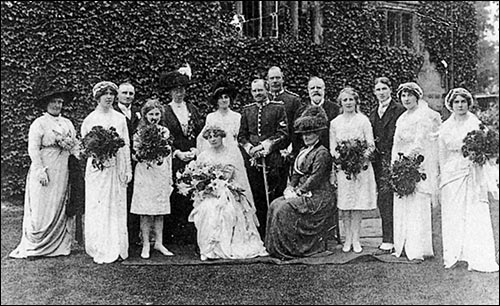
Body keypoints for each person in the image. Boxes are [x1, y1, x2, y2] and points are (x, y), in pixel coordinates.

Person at [10, 82, 77, 259]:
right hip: (46, 166)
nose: (57, 105)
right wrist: (40, 170)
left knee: (59, 203)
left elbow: (75, 146)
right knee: (41, 205)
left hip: (62, 168)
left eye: (60, 102)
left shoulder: (67, 123)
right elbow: (33, 149)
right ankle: (36, 246)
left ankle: (60, 246)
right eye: (54, 102)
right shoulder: (39, 123)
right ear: (46, 104)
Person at [438, 88, 499, 272]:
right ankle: (455, 254)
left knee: (474, 212)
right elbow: (442, 154)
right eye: (456, 102)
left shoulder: (476, 124)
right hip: (452, 174)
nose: (460, 105)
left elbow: (489, 150)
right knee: (454, 213)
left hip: (472, 171)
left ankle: (477, 255)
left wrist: (478, 156)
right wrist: (442, 175)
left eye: (463, 101)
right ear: (451, 104)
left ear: (468, 103)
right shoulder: (445, 127)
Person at [265, 106, 335, 259]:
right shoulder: (304, 150)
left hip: (318, 196)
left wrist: (298, 192)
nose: (306, 137)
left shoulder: (322, 153)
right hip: (304, 192)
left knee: (284, 208)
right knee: (275, 204)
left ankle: (293, 248)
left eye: (310, 134)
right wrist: (290, 187)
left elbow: (315, 178)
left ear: (318, 134)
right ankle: (277, 248)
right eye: (304, 134)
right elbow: (296, 173)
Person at [189, 125, 268, 261]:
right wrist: (207, 188)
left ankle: (223, 246)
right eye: (210, 137)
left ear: (222, 137)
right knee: (206, 209)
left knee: (226, 210)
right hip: (210, 193)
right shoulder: (203, 156)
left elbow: (236, 178)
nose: (213, 139)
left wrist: (226, 187)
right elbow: (198, 179)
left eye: (216, 136)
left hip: (229, 192)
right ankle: (209, 248)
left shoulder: (232, 154)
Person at [81, 81, 132, 264]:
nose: (109, 97)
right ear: (98, 97)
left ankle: (117, 247)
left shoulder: (119, 119)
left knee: (116, 205)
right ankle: (99, 246)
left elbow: (125, 145)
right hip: (97, 168)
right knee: (98, 205)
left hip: (116, 165)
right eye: (105, 94)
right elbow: (85, 147)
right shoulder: (90, 119)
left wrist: (127, 169)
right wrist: (98, 151)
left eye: (112, 94)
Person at [391, 82, 440, 261]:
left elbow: (419, 143)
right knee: (404, 203)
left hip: (416, 165)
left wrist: (407, 162)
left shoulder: (423, 116)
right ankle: (403, 245)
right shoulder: (402, 118)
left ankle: (418, 248)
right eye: (403, 96)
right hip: (402, 164)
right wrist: (395, 166)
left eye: (409, 95)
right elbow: (396, 144)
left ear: (417, 96)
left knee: (417, 206)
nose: (406, 99)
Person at [238, 79, 289, 238]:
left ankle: (276, 234)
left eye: (260, 90)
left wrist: (265, 147)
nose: (257, 94)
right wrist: (251, 149)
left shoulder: (278, 108)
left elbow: (283, 133)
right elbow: (241, 136)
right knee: (258, 196)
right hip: (253, 162)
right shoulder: (247, 110)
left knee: (274, 196)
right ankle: (261, 235)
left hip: (273, 160)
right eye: (254, 91)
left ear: (266, 89)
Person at [159, 67, 204, 245]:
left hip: (192, 157)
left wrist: (195, 150)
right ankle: (173, 235)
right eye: (175, 89)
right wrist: (177, 152)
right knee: (175, 193)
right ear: (170, 91)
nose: (179, 93)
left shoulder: (192, 108)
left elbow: (200, 132)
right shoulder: (164, 111)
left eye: (182, 89)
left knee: (193, 190)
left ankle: (191, 233)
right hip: (174, 157)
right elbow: (164, 135)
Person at [330, 87, 377, 253]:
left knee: (357, 204)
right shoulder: (335, 123)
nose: (348, 103)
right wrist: (342, 160)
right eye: (345, 100)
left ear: (356, 101)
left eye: (351, 99)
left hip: (361, 169)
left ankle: (356, 238)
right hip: (344, 170)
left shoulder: (363, 120)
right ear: (340, 103)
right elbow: (333, 148)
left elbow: (371, 145)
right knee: (346, 204)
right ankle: (347, 239)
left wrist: (359, 159)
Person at [196, 79, 255, 208]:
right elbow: (203, 138)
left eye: (226, 97)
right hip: (216, 154)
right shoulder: (211, 117)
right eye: (221, 98)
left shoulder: (237, 116)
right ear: (216, 101)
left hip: (233, 154)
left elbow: (242, 137)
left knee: (237, 187)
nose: (224, 100)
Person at [130, 99, 175, 259]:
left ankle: (159, 242)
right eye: (151, 114)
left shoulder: (164, 131)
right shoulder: (139, 132)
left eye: (157, 114)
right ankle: (146, 244)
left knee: (159, 209)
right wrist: (142, 155)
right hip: (145, 172)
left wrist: (169, 177)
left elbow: (168, 154)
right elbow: (135, 154)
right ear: (145, 115)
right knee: (145, 210)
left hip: (160, 172)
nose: (154, 117)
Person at [369, 77, 405, 254]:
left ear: (390, 90)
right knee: (383, 199)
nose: (381, 92)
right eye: (378, 90)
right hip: (378, 162)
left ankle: (394, 239)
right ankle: (388, 237)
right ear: (374, 92)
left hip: (394, 160)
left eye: (384, 89)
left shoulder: (398, 110)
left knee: (392, 198)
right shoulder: (373, 112)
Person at [114, 82, 142, 246]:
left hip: (138, 159)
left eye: (131, 93)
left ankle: (133, 237)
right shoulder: (114, 112)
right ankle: (120, 235)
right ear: (118, 95)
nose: (128, 96)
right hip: (121, 158)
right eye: (124, 93)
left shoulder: (138, 112)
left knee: (135, 196)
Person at [293, 76, 339, 157]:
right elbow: (296, 137)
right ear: (308, 91)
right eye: (312, 88)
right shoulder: (301, 111)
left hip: (329, 154)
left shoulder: (335, 109)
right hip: (307, 155)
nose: (315, 90)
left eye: (319, 88)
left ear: (324, 89)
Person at [267, 66, 302, 155]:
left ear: (283, 79)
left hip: (286, 149)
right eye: (272, 78)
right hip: (265, 148)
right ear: (267, 81)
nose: (275, 81)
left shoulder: (293, 100)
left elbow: (297, 126)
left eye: (278, 78)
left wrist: (291, 146)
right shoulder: (263, 99)